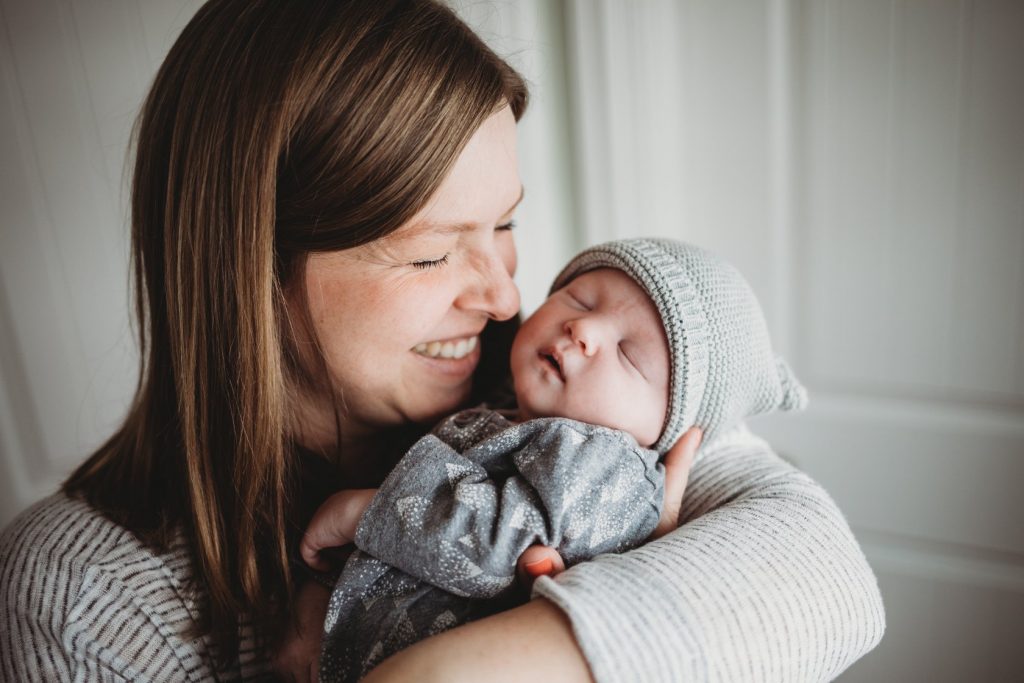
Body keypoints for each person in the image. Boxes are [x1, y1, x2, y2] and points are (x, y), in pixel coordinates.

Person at [0, 1, 884, 682]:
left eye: (505, 224)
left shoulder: (565, 388)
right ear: (247, 265)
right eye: (431, 253)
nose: (505, 297)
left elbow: (825, 572)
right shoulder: (82, 595)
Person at [299, 238, 810, 683]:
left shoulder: (608, 468)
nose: (583, 328)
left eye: (629, 353)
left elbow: (497, 545)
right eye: (579, 299)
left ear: (664, 429)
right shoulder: (509, 408)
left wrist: (366, 511)